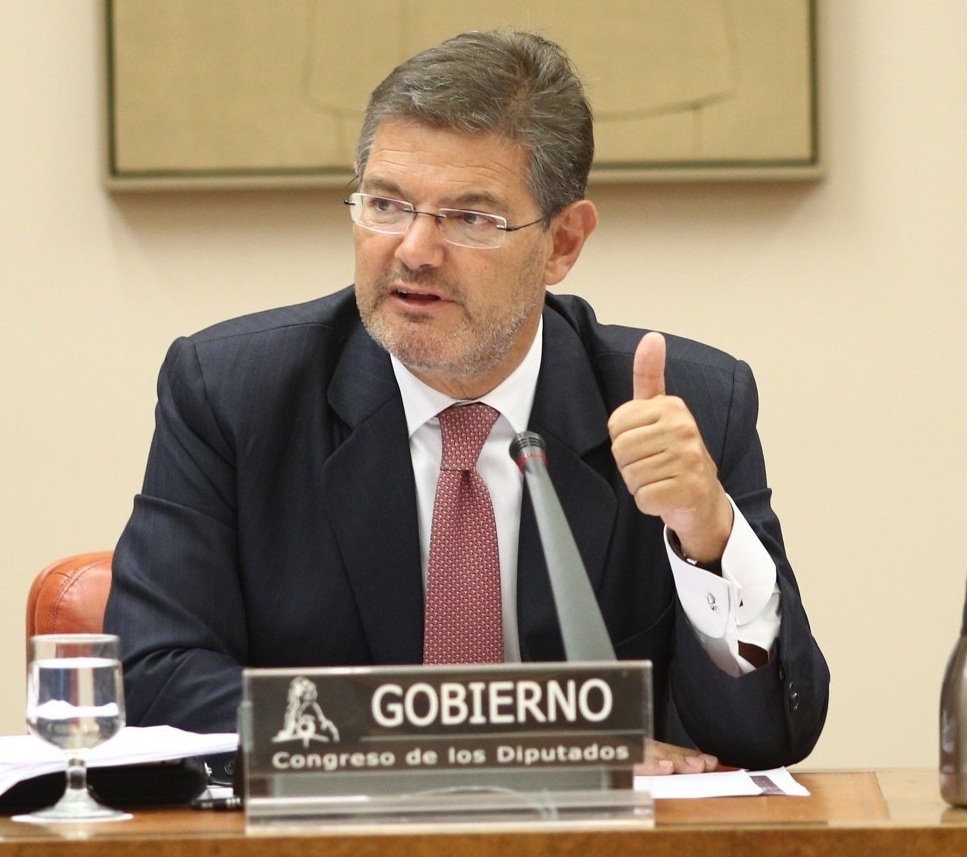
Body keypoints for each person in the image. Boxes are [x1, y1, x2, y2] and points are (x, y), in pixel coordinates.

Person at [104, 29, 829, 773]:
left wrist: (706, 537)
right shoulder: (233, 392)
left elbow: (765, 737)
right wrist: (484, 751)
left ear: (563, 243)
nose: (414, 249)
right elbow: (153, 680)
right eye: (386, 203)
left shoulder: (684, 404)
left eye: (470, 217)